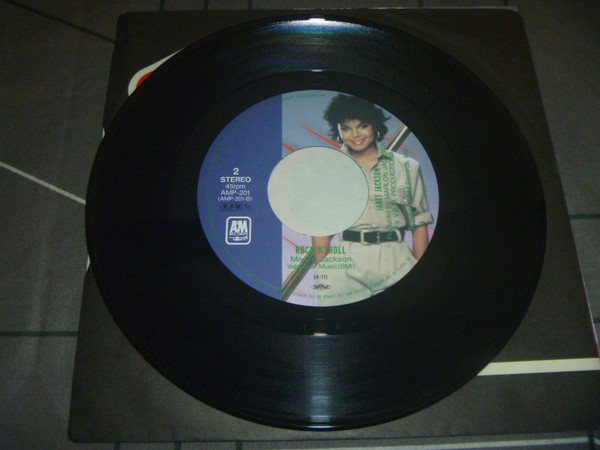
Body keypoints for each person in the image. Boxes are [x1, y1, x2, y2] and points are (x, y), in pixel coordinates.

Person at [311, 94, 433, 306]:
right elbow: (321, 227)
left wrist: (421, 274)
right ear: (338, 130)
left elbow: (419, 223)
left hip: (396, 260)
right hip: (345, 263)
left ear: (375, 126)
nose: (355, 135)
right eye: (346, 128)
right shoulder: (328, 170)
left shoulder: (407, 167)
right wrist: (323, 271)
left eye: (362, 125)